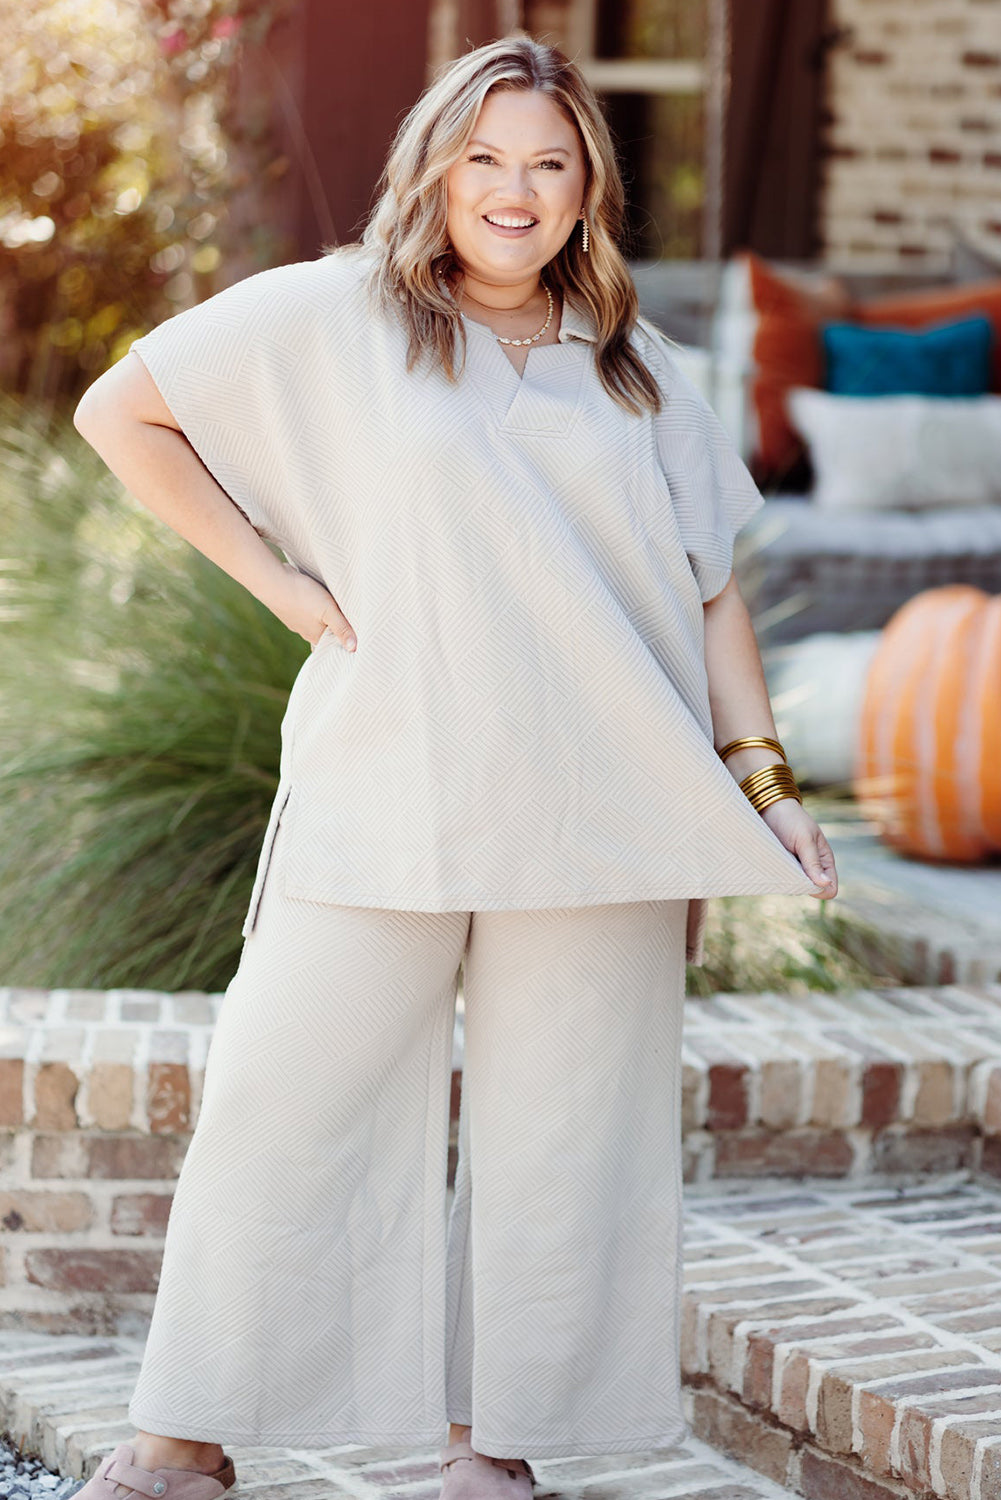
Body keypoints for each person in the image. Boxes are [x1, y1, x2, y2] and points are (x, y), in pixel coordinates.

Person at [72, 31, 838, 1500]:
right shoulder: (338, 315)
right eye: (486, 156)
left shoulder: (638, 369)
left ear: (585, 193)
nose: (515, 188)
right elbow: (125, 410)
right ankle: (182, 1437)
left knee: (568, 1135)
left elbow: (709, 590)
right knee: (281, 1099)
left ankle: (492, 1448)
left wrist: (764, 785)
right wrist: (282, 584)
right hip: (391, 779)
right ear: (435, 169)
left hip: (603, 800)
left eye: (549, 164)